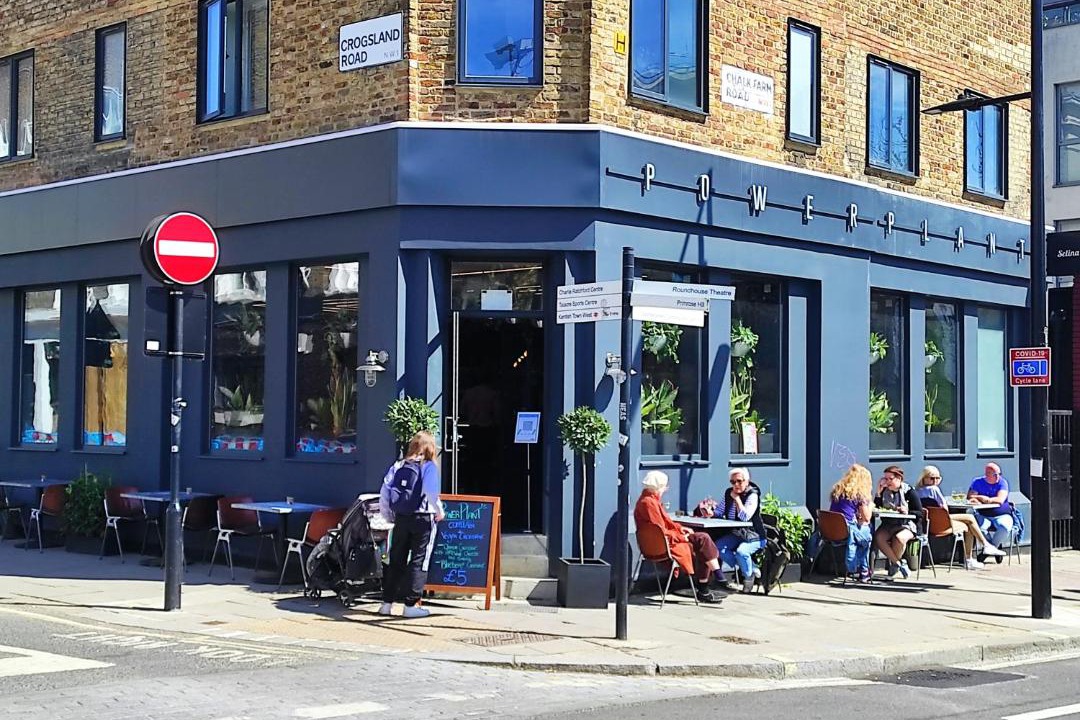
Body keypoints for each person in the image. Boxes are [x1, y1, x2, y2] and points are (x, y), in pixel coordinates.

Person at [378, 431, 444, 619]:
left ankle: (386, 603)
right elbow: (431, 492)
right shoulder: (428, 466)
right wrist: (439, 511)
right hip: (423, 518)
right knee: (419, 559)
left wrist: (389, 516)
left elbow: (385, 492)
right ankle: (410, 604)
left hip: (401, 517)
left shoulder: (399, 465)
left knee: (395, 559)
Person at [634, 471, 725, 602]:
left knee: (703, 542)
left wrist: (681, 528)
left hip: (661, 541)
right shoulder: (649, 503)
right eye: (665, 486)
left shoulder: (649, 501)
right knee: (702, 541)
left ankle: (712, 581)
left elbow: (665, 524)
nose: (666, 488)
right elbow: (660, 530)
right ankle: (713, 580)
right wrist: (682, 537)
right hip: (663, 544)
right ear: (659, 486)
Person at [915, 465, 1005, 569]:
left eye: (937, 478)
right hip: (943, 523)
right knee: (970, 519)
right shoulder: (934, 489)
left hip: (928, 525)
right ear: (924, 478)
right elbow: (944, 508)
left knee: (969, 523)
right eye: (932, 478)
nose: (935, 481)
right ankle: (975, 553)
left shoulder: (917, 490)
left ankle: (981, 550)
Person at [712, 467, 767, 593]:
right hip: (737, 534)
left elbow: (745, 517)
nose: (736, 485)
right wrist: (710, 512)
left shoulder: (752, 495)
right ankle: (751, 568)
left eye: (739, 481)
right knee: (718, 548)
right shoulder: (728, 493)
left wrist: (736, 499)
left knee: (742, 552)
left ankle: (748, 577)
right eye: (732, 482)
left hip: (755, 535)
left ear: (747, 481)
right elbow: (719, 512)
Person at [873, 465, 922, 580]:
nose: (887, 482)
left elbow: (920, 512)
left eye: (890, 479)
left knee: (899, 539)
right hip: (889, 524)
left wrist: (907, 511)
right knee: (879, 537)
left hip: (907, 524)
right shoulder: (884, 491)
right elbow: (877, 507)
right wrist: (878, 492)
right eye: (885, 479)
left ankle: (894, 564)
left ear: (899, 479)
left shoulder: (909, 491)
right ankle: (899, 564)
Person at [828, 464, 874, 582]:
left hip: (831, 531)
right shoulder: (859, 495)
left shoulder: (837, 490)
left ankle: (862, 569)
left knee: (863, 532)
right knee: (867, 533)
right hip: (846, 531)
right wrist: (871, 504)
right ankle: (864, 570)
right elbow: (867, 517)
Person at [967, 462, 1014, 549]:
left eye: (999, 474)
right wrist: (981, 497)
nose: (998, 477)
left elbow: (1000, 500)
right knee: (979, 529)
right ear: (987, 474)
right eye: (995, 474)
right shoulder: (977, 482)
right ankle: (993, 549)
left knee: (1004, 528)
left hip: (1002, 514)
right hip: (983, 514)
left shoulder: (1002, 482)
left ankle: (990, 549)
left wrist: (987, 500)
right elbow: (970, 497)